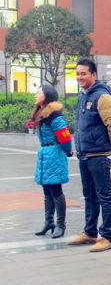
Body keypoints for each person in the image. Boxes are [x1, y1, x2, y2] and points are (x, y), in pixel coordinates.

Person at [68, 59, 111, 252]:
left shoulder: (101, 96)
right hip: (85, 153)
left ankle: (107, 236)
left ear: (93, 74)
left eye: (83, 73)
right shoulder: (83, 96)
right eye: (77, 74)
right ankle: (90, 232)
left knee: (104, 196)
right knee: (89, 195)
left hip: (99, 154)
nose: (79, 77)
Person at [29, 84, 73, 239]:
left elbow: (65, 136)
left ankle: (60, 225)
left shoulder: (54, 115)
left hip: (54, 154)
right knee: (47, 191)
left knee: (56, 191)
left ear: (47, 96)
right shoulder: (40, 113)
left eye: (39, 93)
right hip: (45, 154)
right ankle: (49, 222)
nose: (36, 95)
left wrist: (68, 150)